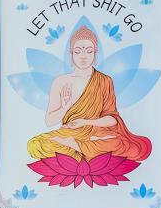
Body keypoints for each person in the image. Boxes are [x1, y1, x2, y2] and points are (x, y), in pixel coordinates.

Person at [27, 23, 151, 163]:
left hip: (96, 133)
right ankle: (84, 151)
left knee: (117, 143)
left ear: (95, 54)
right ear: (71, 55)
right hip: (69, 133)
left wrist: (86, 122)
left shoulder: (104, 80)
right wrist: (65, 107)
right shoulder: (60, 82)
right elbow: (49, 121)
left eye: (89, 51)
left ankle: (75, 149)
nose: (83, 56)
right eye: (78, 51)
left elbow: (112, 119)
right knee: (34, 145)